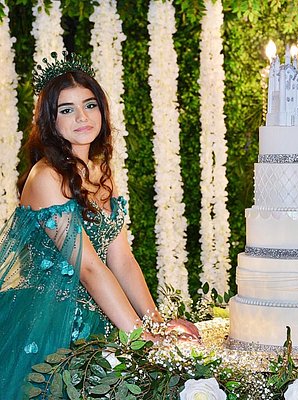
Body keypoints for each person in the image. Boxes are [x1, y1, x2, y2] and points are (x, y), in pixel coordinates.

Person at [0, 52, 199, 398]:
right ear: (50, 122)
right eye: (67, 110)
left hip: (101, 315)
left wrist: (154, 323)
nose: (82, 117)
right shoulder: (45, 176)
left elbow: (121, 259)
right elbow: (89, 267)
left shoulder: (101, 172)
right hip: (50, 323)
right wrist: (139, 338)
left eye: (90, 105)